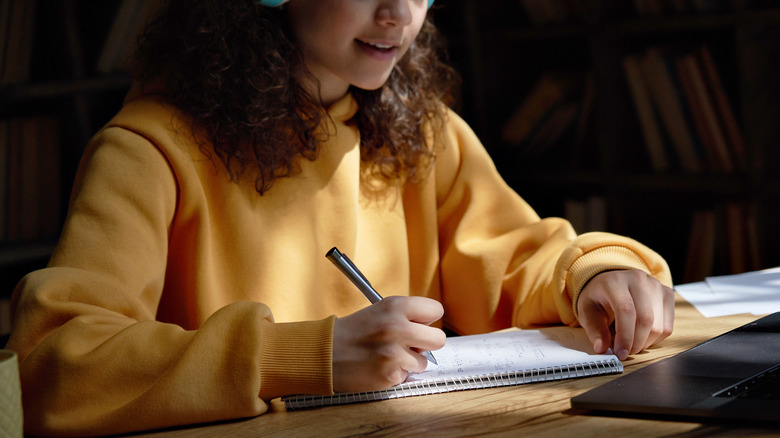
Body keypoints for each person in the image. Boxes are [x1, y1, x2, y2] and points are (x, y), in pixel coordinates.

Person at [6, 0, 675, 436]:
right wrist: (311, 355)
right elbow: (57, 367)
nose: (400, 13)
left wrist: (594, 274)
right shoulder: (148, 150)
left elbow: (513, 253)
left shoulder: (426, 131)